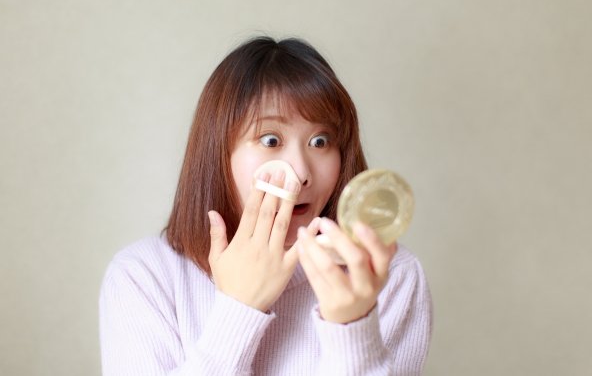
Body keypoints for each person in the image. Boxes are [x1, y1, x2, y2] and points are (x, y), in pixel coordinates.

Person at [99, 37, 433, 376]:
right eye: (270, 140)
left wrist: (352, 330)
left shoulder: (387, 275)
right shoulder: (143, 275)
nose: (300, 173)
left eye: (320, 141)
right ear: (218, 153)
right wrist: (239, 308)